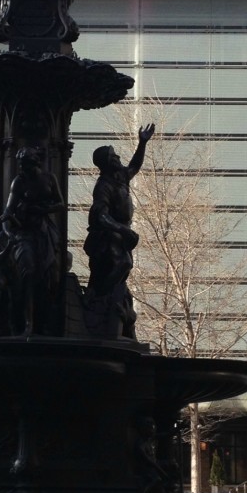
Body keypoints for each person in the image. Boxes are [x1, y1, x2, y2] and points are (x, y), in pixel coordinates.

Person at [84, 124, 155, 337]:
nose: (118, 158)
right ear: (107, 162)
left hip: (121, 233)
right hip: (107, 235)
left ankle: (110, 295)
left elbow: (135, 166)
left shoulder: (120, 177)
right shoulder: (103, 186)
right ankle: (103, 298)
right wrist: (122, 232)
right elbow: (101, 216)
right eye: (114, 156)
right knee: (123, 263)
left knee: (123, 268)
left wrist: (142, 143)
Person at [1, 146, 64, 334]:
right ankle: (27, 323)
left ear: (34, 162)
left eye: (24, 164)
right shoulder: (18, 182)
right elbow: (7, 213)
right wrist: (9, 234)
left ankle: (45, 323)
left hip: (44, 233)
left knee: (49, 277)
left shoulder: (49, 178)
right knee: (28, 274)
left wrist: (41, 210)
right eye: (20, 164)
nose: (21, 167)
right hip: (24, 234)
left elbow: (60, 204)